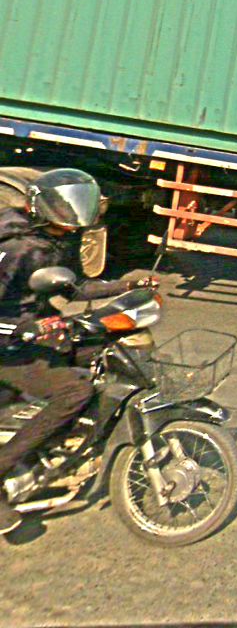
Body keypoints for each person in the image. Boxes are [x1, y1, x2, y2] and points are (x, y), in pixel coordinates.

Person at [0, 168, 102, 535]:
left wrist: (129, 287)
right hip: (7, 348)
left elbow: (74, 289)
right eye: (67, 204)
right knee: (75, 391)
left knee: (98, 347)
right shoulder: (17, 248)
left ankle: (63, 441)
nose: (75, 212)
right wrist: (26, 329)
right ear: (45, 206)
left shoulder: (56, 240)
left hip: (30, 336)